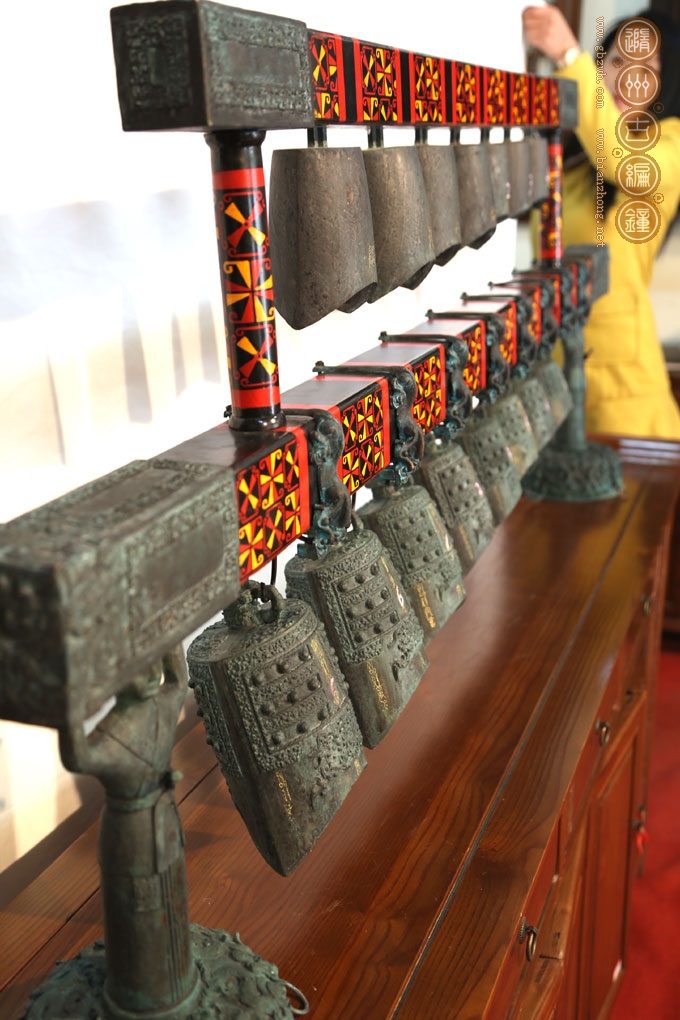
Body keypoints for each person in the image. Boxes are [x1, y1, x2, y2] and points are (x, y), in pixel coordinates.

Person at [522, 5, 680, 439]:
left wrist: (567, 55)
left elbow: (621, 160)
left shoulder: (670, 146)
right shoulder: (573, 162)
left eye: (647, 70)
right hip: (555, 384)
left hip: (626, 396)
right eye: (618, 61)